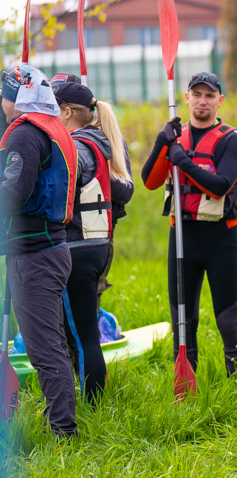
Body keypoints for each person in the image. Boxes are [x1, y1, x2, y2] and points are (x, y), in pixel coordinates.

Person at [141, 71, 237, 377]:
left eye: (209, 95)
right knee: (182, 321)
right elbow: (150, 181)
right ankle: (185, 388)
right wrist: (162, 144)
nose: (202, 101)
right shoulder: (175, 136)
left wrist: (182, 160)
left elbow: (219, 185)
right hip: (182, 236)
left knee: (227, 320)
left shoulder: (232, 139)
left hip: (221, 240)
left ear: (220, 101)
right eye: (197, 94)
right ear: (186, 98)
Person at [0, 64, 77, 436]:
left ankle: (62, 429)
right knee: (49, 344)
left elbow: (15, 191)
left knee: (44, 349)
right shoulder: (49, 127)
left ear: (15, 97)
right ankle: (60, 422)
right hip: (45, 248)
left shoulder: (27, 135)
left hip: (36, 254)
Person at [52, 82, 132, 403]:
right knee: (83, 334)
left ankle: (93, 406)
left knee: (83, 336)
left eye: (55, 109)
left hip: (78, 248)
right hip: (96, 246)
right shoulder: (99, 142)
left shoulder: (79, 147)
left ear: (67, 112)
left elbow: (61, 187)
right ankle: (93, 401)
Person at [50, 72, 134, 309]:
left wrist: (95, 171)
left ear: (69, 109)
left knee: (83, 313)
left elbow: (126, 191)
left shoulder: (103, 139)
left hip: (94, 235)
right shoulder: (57, 138)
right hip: (67, 238)